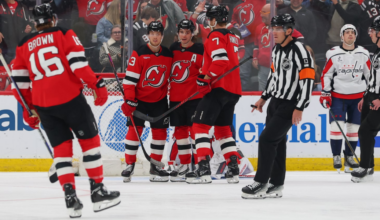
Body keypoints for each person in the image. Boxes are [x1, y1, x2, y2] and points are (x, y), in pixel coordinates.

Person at [10, 3, 120, 218]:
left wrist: (28, 108)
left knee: (61, 150)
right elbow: (78, 65)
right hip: (70, 99)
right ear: (53, 19)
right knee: (90, 144)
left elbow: (20, 84)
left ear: (35, 23)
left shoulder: (23, 44)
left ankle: (70, 198)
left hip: (44, 106)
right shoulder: (63, 33)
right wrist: (96, 84)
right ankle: (97, 192)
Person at [241, 14, 315, 199]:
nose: (273, 32)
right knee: (278, 143)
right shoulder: (276, 50)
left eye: (278, 28)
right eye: (272, 28)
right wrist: (264, 98)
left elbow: (308, 79)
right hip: (275, 103)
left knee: (266, 139)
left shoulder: (300, 50)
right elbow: (274, 77)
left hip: (290, 105)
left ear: (289, 30)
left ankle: (261, 182)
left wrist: (300, 107)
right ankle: (276, 184)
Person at [185, 5, 242, 184]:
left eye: (210, 19)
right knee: (223, 130)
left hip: (219, 88)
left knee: (199, 127)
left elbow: (221, 61)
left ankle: (203, 169)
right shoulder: (232, 36)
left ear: (215, 20)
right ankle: (233, 168)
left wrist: (205, 77)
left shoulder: (215, 35)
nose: (208, 22)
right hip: (233, 90)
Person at [121, 21, 173, 183]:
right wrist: (129, 100)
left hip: (160, 100)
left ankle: (155, 166)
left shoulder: (168, 54)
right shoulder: (139, 53)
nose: (155, 37)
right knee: (134, 131)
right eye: (152, 33)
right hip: (139, 101)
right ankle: (129, 165)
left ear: (162, 36)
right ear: (148, 35)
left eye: (158, 34)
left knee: (160, 133)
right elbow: (129, 81)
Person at [320, 24, 370, 173]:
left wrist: (371, 94)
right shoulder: (333, 53)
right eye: (346, 33)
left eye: (352, 33)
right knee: (337, 126)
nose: (350, 35)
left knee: (354, 129)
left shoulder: (363, 53)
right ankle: (336, 155)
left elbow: (370, 75)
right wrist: (325, 93)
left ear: (356, 36)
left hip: (359, 97)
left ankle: (349, 157)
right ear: (341, 36)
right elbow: (326, 74)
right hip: (338, 96)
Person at [168, 19, 204, 182]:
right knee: (180, 133)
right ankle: (183, 165)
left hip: (194, 98)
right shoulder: (173, 49)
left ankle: (197, 166)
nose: (184, 35)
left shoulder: (200, 49)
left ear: (193, 33)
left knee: (195, 132)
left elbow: (206, 72)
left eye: (187, 32)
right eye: (181, 32)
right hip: (176, 97)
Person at [351, 16, 380, 183]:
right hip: (371, 96)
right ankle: (368, 165)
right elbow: (374, 78)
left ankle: (363, 167)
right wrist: (366, 95)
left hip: (378, 99)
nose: (370, 34)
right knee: (367, 131)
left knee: (365, 130)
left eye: (373, 31)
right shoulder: (376, 51)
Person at [253, 3, 304, 91]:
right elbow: (256, 45)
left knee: (279, 90)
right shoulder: (259, 28)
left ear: (272, 13)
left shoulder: (282, 26)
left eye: (264, 12)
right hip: (263, 67)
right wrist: (254, 58)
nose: (261, 15)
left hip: (279, 66)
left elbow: (300, 38)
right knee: (262, 92)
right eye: (261, 12)